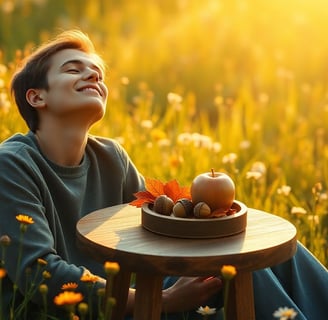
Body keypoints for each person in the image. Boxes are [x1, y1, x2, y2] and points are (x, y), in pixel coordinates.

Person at [0, 29, 327, 320]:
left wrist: (210, 211)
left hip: (131, 295)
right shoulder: (12, 165)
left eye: (98, 73)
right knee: (228, 268)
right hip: (74, 309)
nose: (93, 76)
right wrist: (164, 299)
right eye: (74, 69)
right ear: (36, 97)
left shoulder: (112, 157)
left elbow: (162, 229)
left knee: (270, 250)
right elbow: (37, 274)